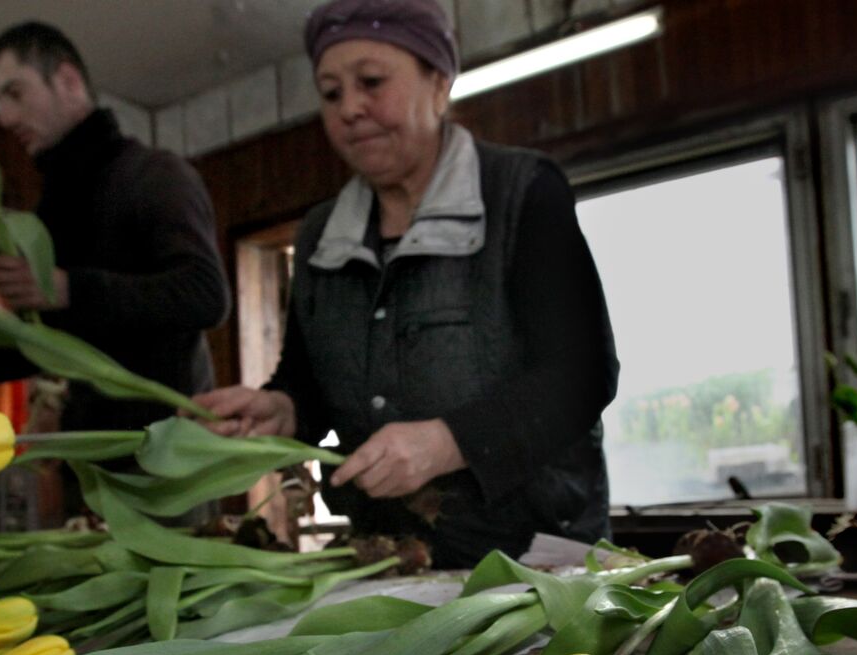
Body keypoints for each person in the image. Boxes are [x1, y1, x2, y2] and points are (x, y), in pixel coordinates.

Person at [196, 0, 618, 568]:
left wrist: (446, 442)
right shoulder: (324, 232)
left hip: (530, 555)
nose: (350, 109)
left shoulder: (522, 192)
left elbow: (583, 375)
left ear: (439, 83)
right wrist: (280, 408)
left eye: (371, 82)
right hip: (392, 554)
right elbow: (309, 380)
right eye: (330, 93)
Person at [0, 21, 231, 434]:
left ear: (67, 80)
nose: (6, 118)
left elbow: (205, 295)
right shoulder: (55, 209)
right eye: (1, 101)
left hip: (170, 459)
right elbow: (43, 342)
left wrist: (70, 289)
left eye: (15, 93)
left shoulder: (154, 174)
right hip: (93, 457)